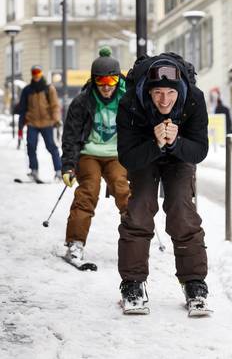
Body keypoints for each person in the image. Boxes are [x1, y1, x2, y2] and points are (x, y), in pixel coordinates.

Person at [116, 52, 210, 316]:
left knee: (181, 209)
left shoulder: (194, 100)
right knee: (140, 208)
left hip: (179, 158)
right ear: (148, 91)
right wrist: (156, 143)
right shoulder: (130, 103)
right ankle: (132, 284)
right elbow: (127, 156)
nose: (164, 100)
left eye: (170, 94)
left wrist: (176, 143)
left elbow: (200, 150)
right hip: (145, 154)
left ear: (180, 90)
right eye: (158, 93)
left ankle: (194, 283)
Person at [60, 47, 130, 265]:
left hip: (116, 154)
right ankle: (75, 243)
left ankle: (134, 241)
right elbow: (70, 136)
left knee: (122, 187)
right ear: (94, 80)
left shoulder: (129, 101)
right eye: (101, 81)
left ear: (118, 80)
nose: (106, 87)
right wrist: (68, 166)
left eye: (111, 81)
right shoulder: (82, 102)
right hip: (89, 153)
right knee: (89, 190)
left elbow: (140, 131)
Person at [17, 65, 62, 182]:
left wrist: (56, 119)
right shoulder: (27, 90)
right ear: (32, 74)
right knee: (31, 146)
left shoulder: (48, 88)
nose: (36, 75)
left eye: (38, 72)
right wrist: (21, 125)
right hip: (32, 122)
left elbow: (55, 105)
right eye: (34, 72)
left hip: (47, 123)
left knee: (51, 147)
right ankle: (34, 170)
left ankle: (59, 171)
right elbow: (23, 108)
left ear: (41, 73)